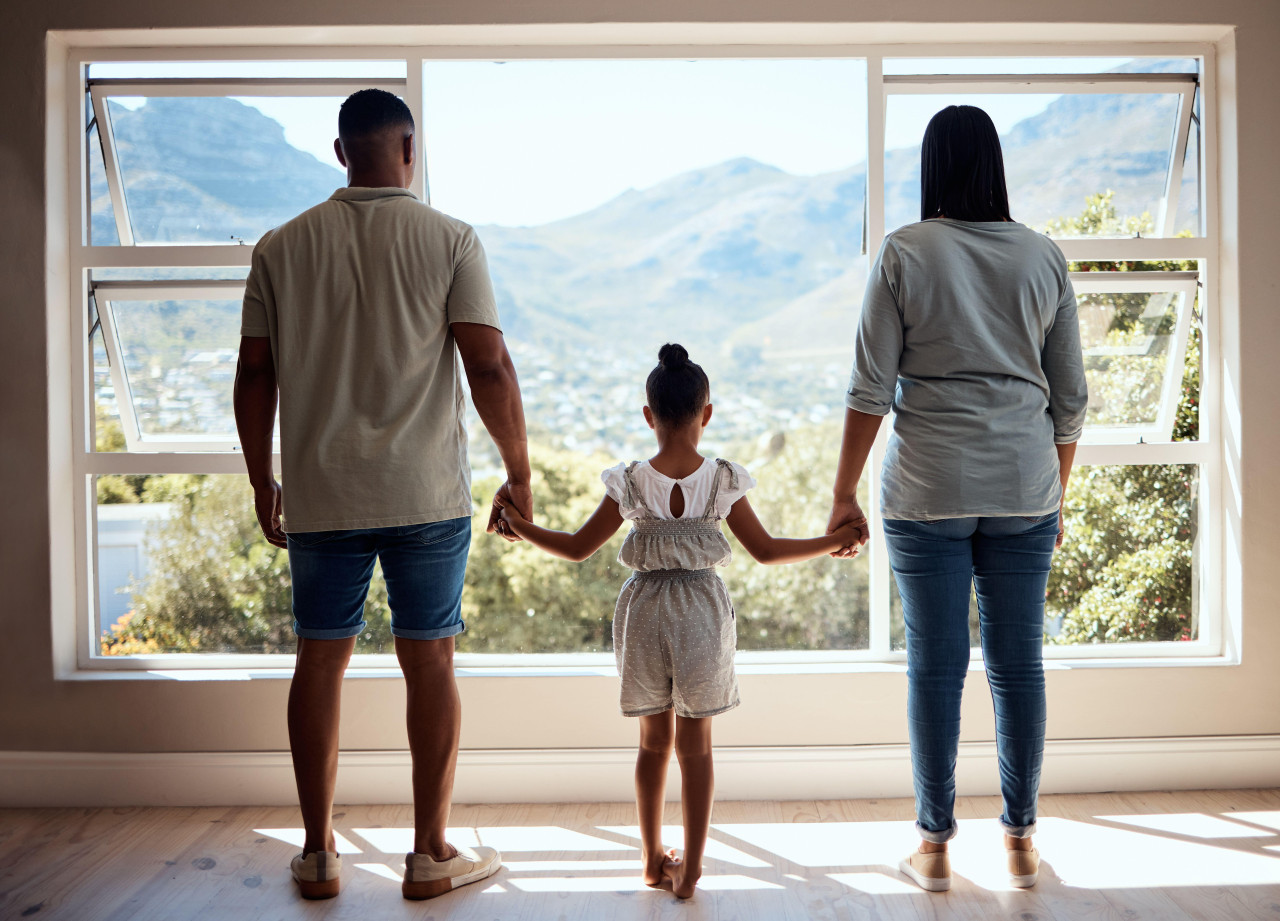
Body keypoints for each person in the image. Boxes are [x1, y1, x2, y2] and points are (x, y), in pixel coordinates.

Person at [233, 88, 531, 901]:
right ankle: (430, 853)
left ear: (340, 154)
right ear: (410, 149)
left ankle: (321, 851)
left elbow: (255, 373)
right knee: (429, 658)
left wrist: (264, 479)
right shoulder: (450, 238)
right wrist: (520, 470)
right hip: (427, 495)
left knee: (319, 661)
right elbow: (490, 366)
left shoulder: (281, 247)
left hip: (324, 494)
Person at [826, 105, 1088, 892]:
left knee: (935, 669)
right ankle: (1021, 844)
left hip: (927, 486)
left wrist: (843, 493)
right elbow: (1069, 400)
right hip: (1024, 485)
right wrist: (1054, 493)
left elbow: (871, 390)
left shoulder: (905, 251)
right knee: (1019, 665)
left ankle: (935, 848)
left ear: (932, 165)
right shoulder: (1043, 257)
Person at [496, 343, 863, 899]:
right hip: (701, 614)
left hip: (642, 612)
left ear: (649, 416)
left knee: (651, 746)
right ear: (706, 413)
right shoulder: (721, 479)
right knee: (697, 749)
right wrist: (833, 541)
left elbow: (575, 548)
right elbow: (765, 551)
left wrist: (520, 527)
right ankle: (689, 869)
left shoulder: (629, 480)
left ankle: (650, 860)